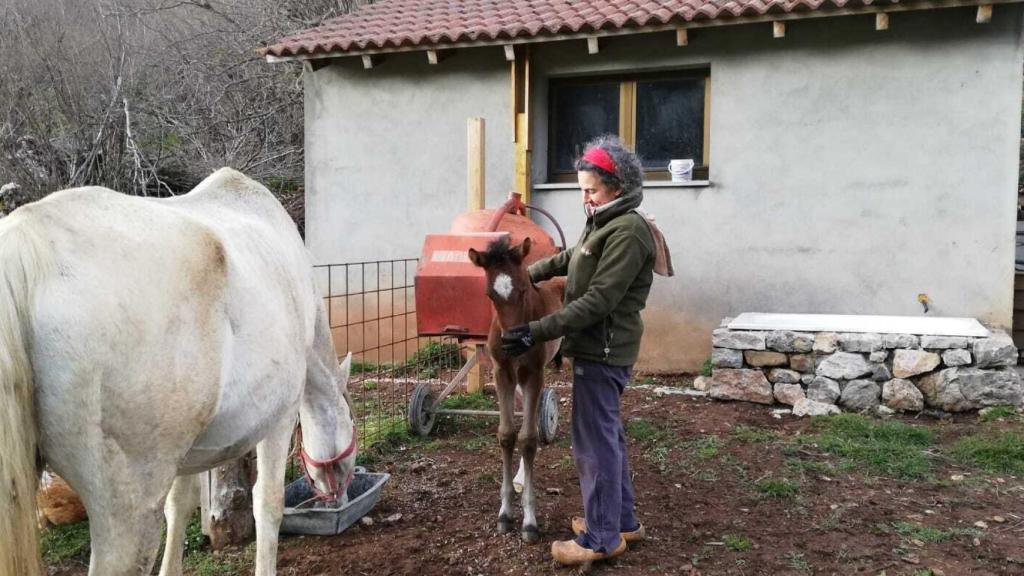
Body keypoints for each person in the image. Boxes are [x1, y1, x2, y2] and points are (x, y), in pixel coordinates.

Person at [501, 135, 672, 566]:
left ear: (617, 186)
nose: (585, 197)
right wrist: (526, 276)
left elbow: (598, 300)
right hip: (599, 347)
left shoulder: (629, 232)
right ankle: (623, 522)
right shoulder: (603, 221)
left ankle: (600, 538)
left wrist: (535, 330)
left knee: (593, 445)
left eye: (591, 190)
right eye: (581, 189)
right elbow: (573, 258)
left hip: (604, 350)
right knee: (608, 436)